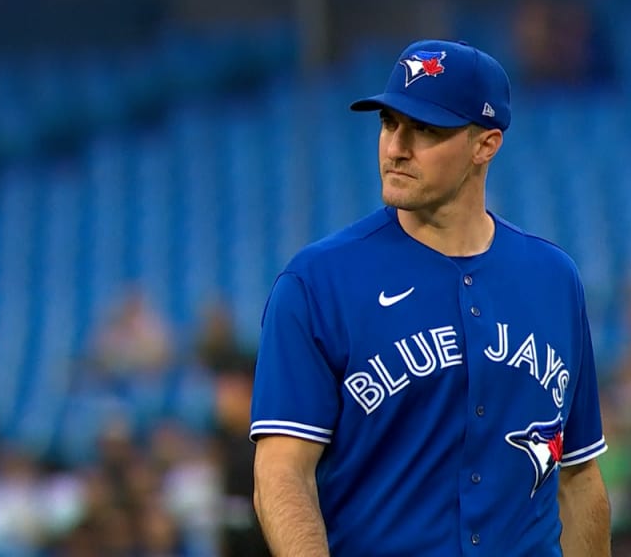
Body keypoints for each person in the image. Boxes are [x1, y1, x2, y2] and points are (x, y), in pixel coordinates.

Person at [249, 39, 611, 556]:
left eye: (426, 130)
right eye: (389, 123)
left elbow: (579, 479)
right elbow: (282, 476)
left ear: (485, 145)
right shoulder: (317, 283)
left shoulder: (553, 279)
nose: (397, 147)